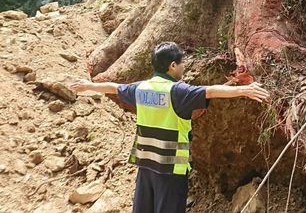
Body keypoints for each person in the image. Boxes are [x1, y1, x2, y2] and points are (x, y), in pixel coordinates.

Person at [69, 42, 270, 213]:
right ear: (173, 65)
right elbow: (210, 92)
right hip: (171, 168)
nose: (183, 68)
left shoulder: (141, 88)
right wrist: (245, 89)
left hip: (146, 163)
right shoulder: (177, 91)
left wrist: (89, 86)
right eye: (182, 64)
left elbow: (114, 88)